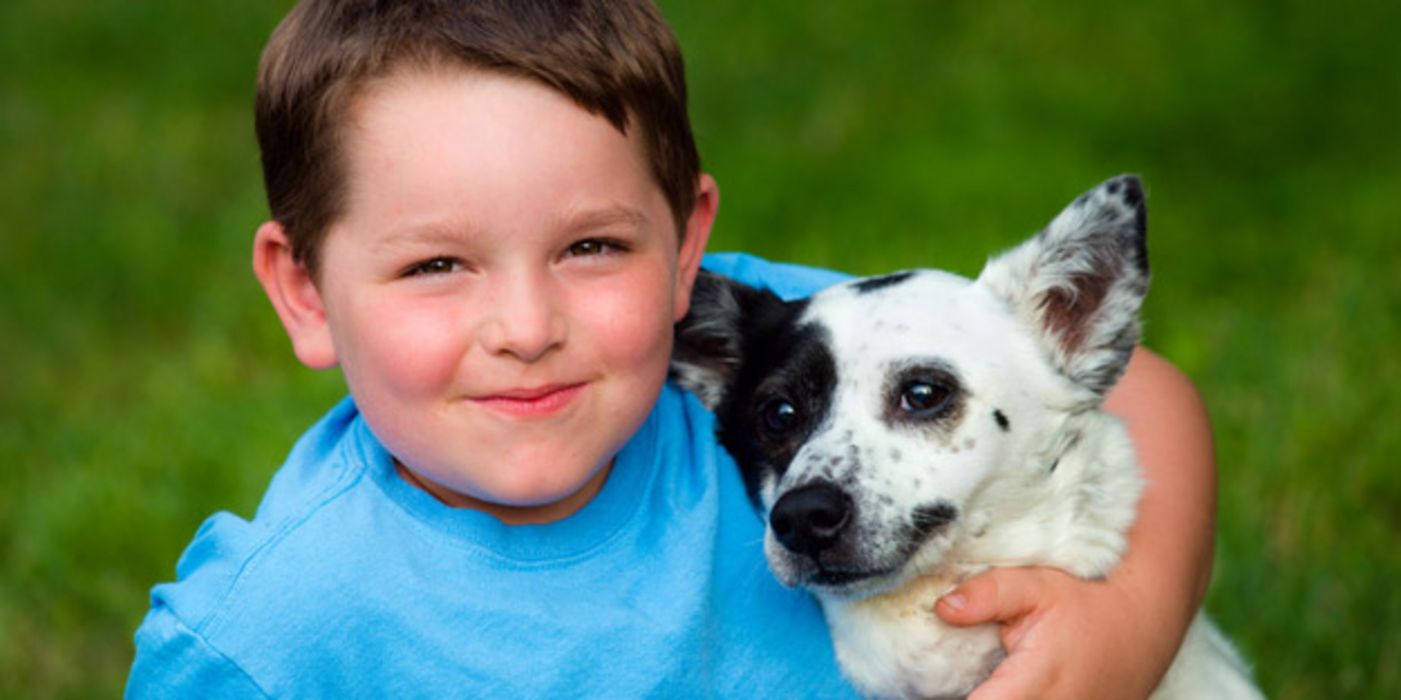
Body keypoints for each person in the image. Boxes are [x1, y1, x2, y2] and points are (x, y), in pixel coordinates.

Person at [127, 1, 1217, 698]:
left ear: (684, 252)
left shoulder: (752, 346)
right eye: (436, 266)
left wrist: (1128, 623)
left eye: (591, 246)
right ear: (306, 292)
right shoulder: (263, 638)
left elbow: (1138, 385)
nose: (527, 326)